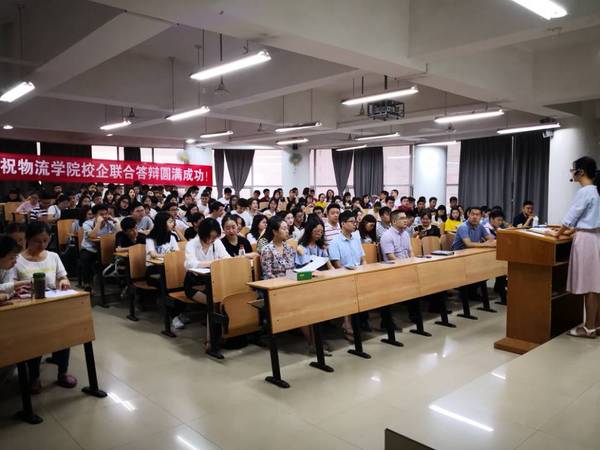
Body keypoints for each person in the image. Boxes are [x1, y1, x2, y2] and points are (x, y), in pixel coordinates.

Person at [15, 222, 76, 393]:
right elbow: (12, 285)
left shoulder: (53, 256)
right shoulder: (17, 260)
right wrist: (19, 288)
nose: (42, 245)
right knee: (34, 341)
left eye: (45, 241)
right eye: (37, 241)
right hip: (29, 308)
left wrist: (64, 282)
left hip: (52, 304)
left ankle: (62, 371)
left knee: (64, 336)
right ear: (27, 239)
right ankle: (34, 376)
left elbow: (63, 277)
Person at [546, 156, 600, 338]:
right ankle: (596, 324)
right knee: (596, 284)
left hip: (586, 241)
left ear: (580, 172)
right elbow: (588, 218)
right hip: (595, 238)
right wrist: (570, 231)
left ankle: (589, 328)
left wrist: (557, 233)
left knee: (590, 285)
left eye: (573, 169)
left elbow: (570, 218)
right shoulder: (596, 191)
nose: (571, 173)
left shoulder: (585, 191)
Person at [328, 210, 365, 341]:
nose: (355, 224)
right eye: (352, 221)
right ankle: (347, 324)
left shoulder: (356, 239)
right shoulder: (334, 242)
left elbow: (363, 260)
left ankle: (362, 321)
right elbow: (337, 264)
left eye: (355, 222)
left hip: (359, 273)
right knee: (349, 290)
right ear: (343, 224)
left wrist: (365, 271)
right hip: (343, 276)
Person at [80, 204, 116, 291]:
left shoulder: (109, 223)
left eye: (106, 214)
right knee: (86, 258)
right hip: (89, 249)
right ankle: (87, 283)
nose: (104, 216)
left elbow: (118, 234)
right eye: (101, 214)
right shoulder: (87, 224)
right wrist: (98, 223)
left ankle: (113, 278)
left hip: (104, 248)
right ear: (95, 215)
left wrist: (115, 221)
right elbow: (92, 236)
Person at [0, 235, 31, 302]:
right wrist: (22, 283)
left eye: (16, 257)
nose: (15, 262)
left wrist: (7, 294)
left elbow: (8, 289)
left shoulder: (7, 268)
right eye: (11, 258)